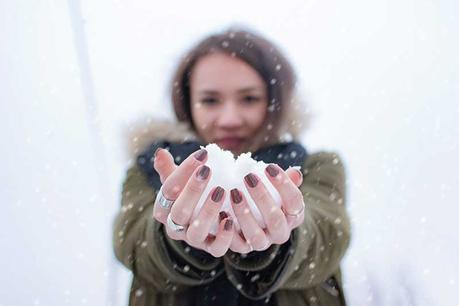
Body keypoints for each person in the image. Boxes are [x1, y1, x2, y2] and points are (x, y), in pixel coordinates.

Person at [113, 26, 351, 306]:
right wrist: (175, 240)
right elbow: (133, 245)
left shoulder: (316, 167)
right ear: (188, 104)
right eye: (210, 100)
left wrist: (282, 237)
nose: (229, 118)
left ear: (276, 101)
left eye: (249, 98)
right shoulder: (150, 170)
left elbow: (326, 237)